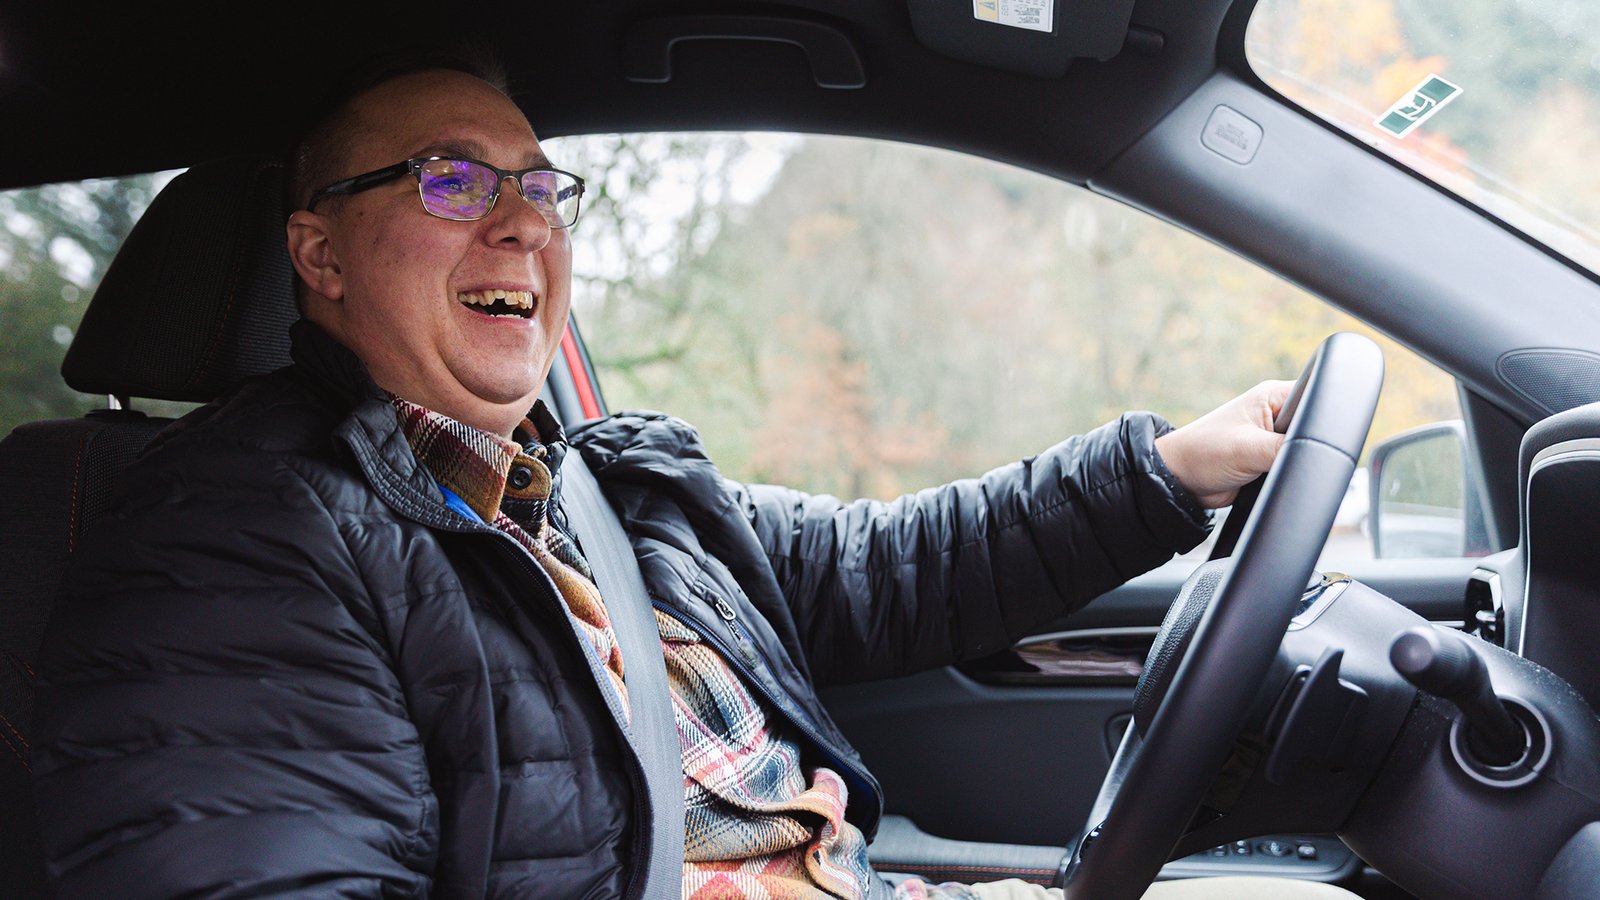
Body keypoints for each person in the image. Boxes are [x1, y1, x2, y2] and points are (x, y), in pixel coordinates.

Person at [29, 49, 1357, 900]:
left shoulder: (596, 487)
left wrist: (1167, 472)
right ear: (318, 258)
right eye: (451, 182)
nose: (523, 223)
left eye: (542, 188)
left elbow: (885, 567)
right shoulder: (227, 547)